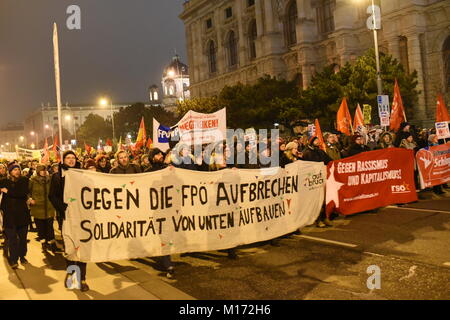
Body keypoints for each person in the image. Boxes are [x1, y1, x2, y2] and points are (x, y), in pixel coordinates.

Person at [49, 150, 89, 291]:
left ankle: (83, 278)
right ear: (63, 160)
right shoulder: (57, 176)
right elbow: (52, 196)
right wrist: (63, 208)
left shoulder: (82, 175)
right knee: (70, 247)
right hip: (66, 217)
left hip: (83, 217)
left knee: (83, 247)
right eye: (68, 158)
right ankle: (72, 275)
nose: (71, 160)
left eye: (73, 158)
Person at [147, 148, 176, 278]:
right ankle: (167, 263)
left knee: (168, 235)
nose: (160, 155)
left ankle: (165, 259)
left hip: (170, 208)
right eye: (157, 154)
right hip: (157, 209)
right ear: (152, 157)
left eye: (161, 154)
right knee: (163, 236)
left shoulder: (169, 169)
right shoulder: (148, 172)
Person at [0, 163, 31, 269]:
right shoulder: (4, 181)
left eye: (18, 169)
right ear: (10, 172)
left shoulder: (24, 181)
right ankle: (13, 259)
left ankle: (22, 256)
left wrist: (8, 191)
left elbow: (21, 193)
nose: (17, 171)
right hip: (9, 216)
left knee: (23, 238)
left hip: (22, 215)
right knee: (12, 239)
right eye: (14, 170)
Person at [29, 164, 59, 253]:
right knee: (41, 228)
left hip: (49, 207)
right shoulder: (32, 181)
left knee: (50, 227)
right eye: (42, 170)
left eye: (45, 170)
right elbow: (28, 192)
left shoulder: (50, 180)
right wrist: (30, 199)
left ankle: (53, 244)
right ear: (38, 171)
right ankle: (44, 243)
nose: (44, 172)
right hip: (37, 208)